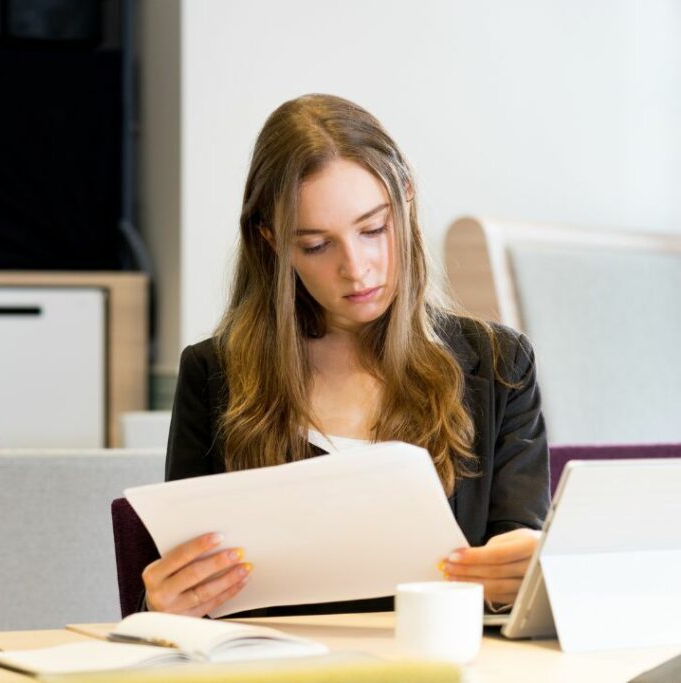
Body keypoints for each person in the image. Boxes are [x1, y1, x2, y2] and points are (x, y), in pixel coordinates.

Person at [142, 94, 550, 619]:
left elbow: (519, 568)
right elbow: (179, 596)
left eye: (374, 230)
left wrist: (522, 580)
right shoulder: (213, 375)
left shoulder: (499, 365)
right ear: (271, 242)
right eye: (316, 245)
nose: (356, 269)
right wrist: (164, 602)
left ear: (406, 202)